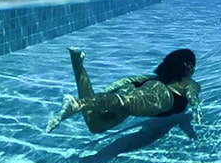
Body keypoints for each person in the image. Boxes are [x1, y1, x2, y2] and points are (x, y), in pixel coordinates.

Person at [46, 47, 200, 134]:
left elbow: (128, 80)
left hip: (135, 90)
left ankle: (77, 62)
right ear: (189, 68)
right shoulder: (188, 83)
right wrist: (195, 109)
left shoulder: (154, 78)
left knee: (96, 125)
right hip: (161, 97)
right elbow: (191, 94)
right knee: (123, 102)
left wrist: (104, 93)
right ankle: (78, 104)